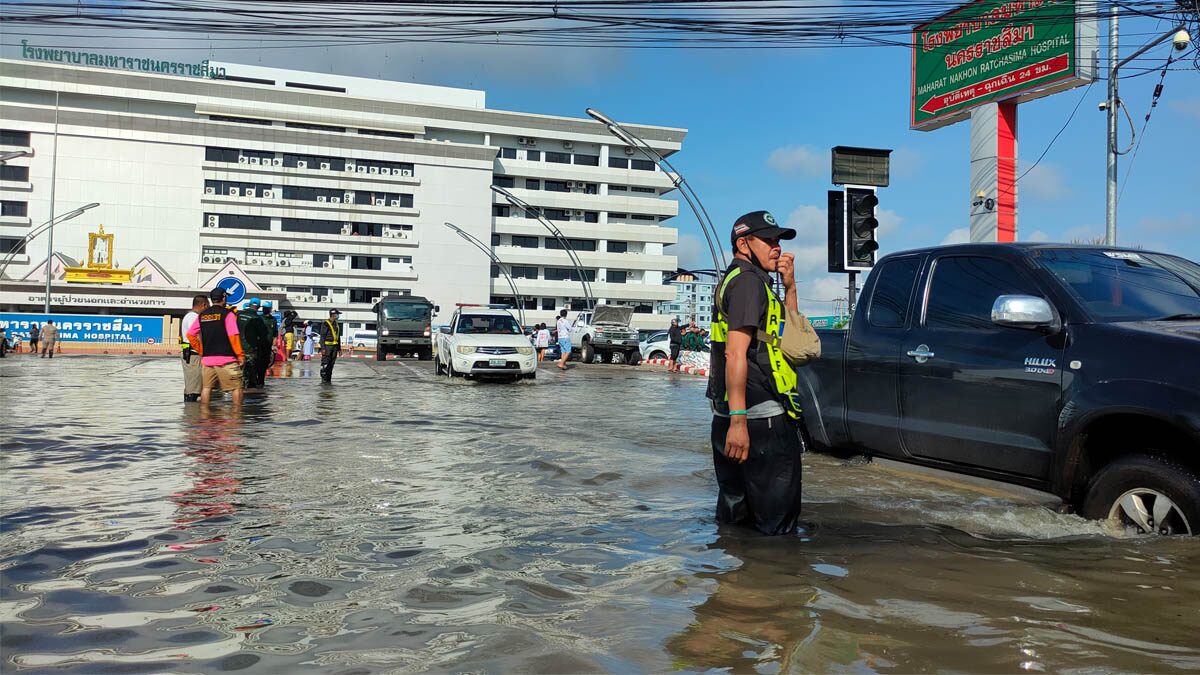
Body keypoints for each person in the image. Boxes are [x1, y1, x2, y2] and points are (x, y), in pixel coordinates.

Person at [707, 210, 804, 536]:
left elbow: (787, 337)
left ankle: (735, 583)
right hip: (759, 421)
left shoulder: (738, 281)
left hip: (732, 417)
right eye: (768, 240)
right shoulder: (749, 283)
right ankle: (771, 584)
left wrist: (789, 288)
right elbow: (735, 352)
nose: (776, 247)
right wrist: (739, 422)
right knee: (777, 529)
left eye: (778, 240)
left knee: (735, 521)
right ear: (744, 244)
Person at [187, 287, 245, 406]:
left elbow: (190, 334)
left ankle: (204, 415)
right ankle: (236, 416)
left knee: (206, 388)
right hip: (226, 359)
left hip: (207, 360)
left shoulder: (202, 315)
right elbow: (233, 335)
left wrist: (201, 350)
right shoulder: (228, 314)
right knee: (236, 387)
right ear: (224, 298)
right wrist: (240, 355)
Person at [180, 294, 210, 402]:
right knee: (194, 389)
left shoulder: (188, 316)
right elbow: (196, 335)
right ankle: (192, 414)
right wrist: (203, 352)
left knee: (191, 386)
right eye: (208, 306)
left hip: (189, 353)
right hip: (194, 355)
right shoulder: (194, 317)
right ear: (203, 305)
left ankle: (190, 413)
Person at [236, 299, 268, 392]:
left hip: (237, 348)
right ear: (258, 307)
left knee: (238, 370)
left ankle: (238, 390)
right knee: (250, 371)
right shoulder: (258, 319)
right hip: (251, 349)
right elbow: (263, 335)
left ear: (249, 305)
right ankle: (248, 392)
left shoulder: (238, 315)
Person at [317, 309, 343, 383]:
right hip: (327, 347)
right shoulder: (326, 324)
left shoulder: (336, 324)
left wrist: (339, 349)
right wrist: (323, 348)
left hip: (334, 348)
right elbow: (322, 336)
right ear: (333, 315)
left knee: (331, 364)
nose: (338, 316)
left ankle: (328, 380)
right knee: (325, 364)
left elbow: (338, 338)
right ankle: (323, 380)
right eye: (337, 314)